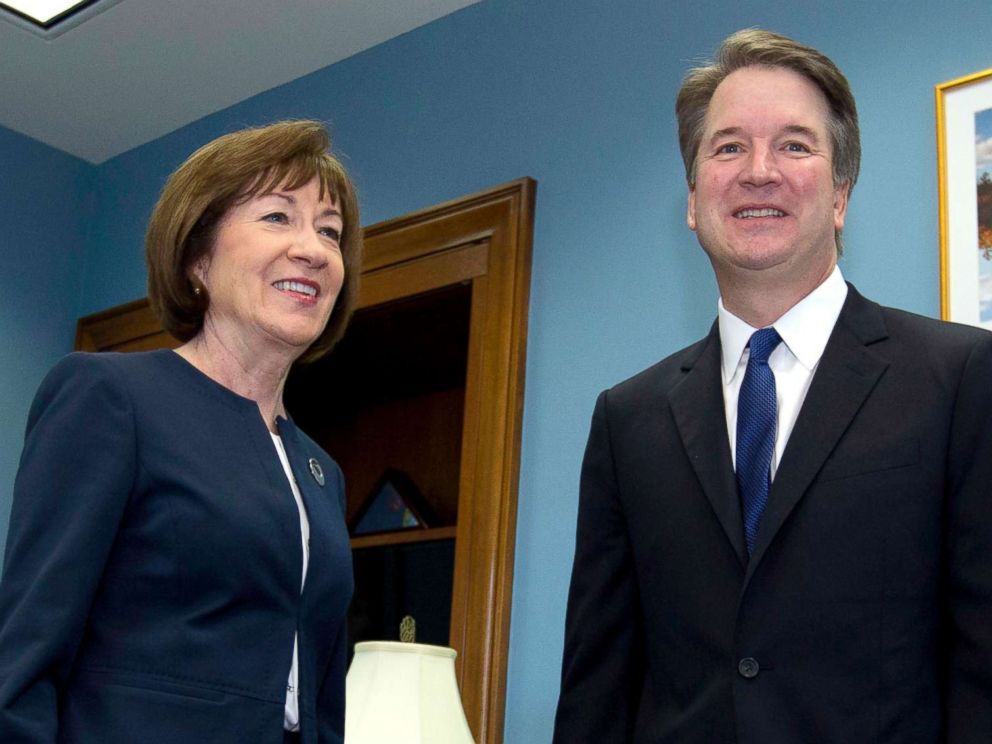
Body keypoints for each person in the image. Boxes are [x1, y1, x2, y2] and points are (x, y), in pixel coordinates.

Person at [553, 29, 992, 743]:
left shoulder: (961, 379)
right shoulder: (626, 419)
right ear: (693, 199)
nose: (759, 171)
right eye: (727, 147)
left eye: (794, 145)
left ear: (841, 193)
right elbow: (597, 691)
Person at [0, 120, 363, 743]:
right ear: (198, 255)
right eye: (278, 217)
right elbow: (25, 661)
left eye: (329, 232)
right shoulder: (109, 397)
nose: (314, 249)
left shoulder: (321, 473)